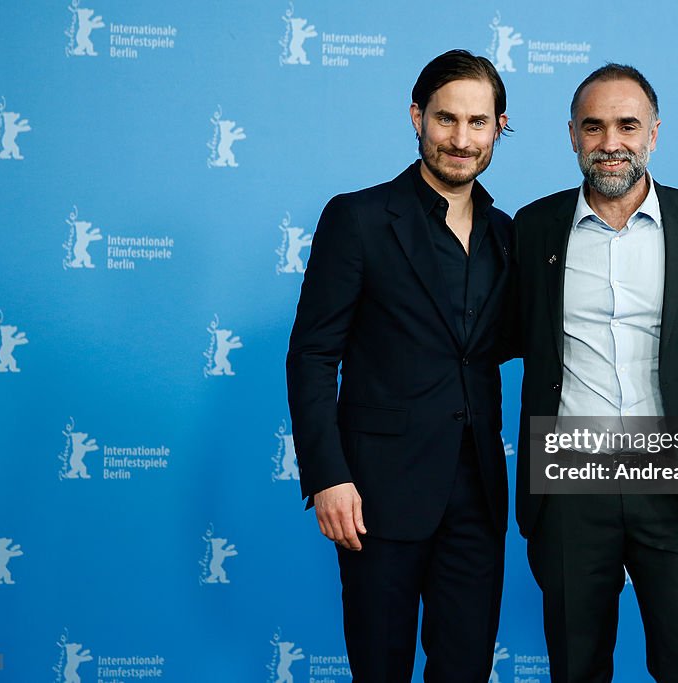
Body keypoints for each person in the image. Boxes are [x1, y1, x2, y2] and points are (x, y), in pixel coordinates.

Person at [509, 64, 678, 682]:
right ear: (571, 135)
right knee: (576, 666)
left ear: (654, 133)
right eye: (594, 127)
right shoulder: (533, 228)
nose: (610, 141)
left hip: (673, 476)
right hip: (568, 477)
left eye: (627, 125)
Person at [286, 49, 513, 683]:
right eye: (446, 119)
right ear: (417, 118)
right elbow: (311, 356)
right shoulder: (357, 218)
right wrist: (327, 476)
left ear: (499, 126)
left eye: (477, 122)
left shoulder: (507, 233)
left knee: (464, 668)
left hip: (478, 494)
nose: (460, 139)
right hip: (376, 493)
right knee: (379, 668)